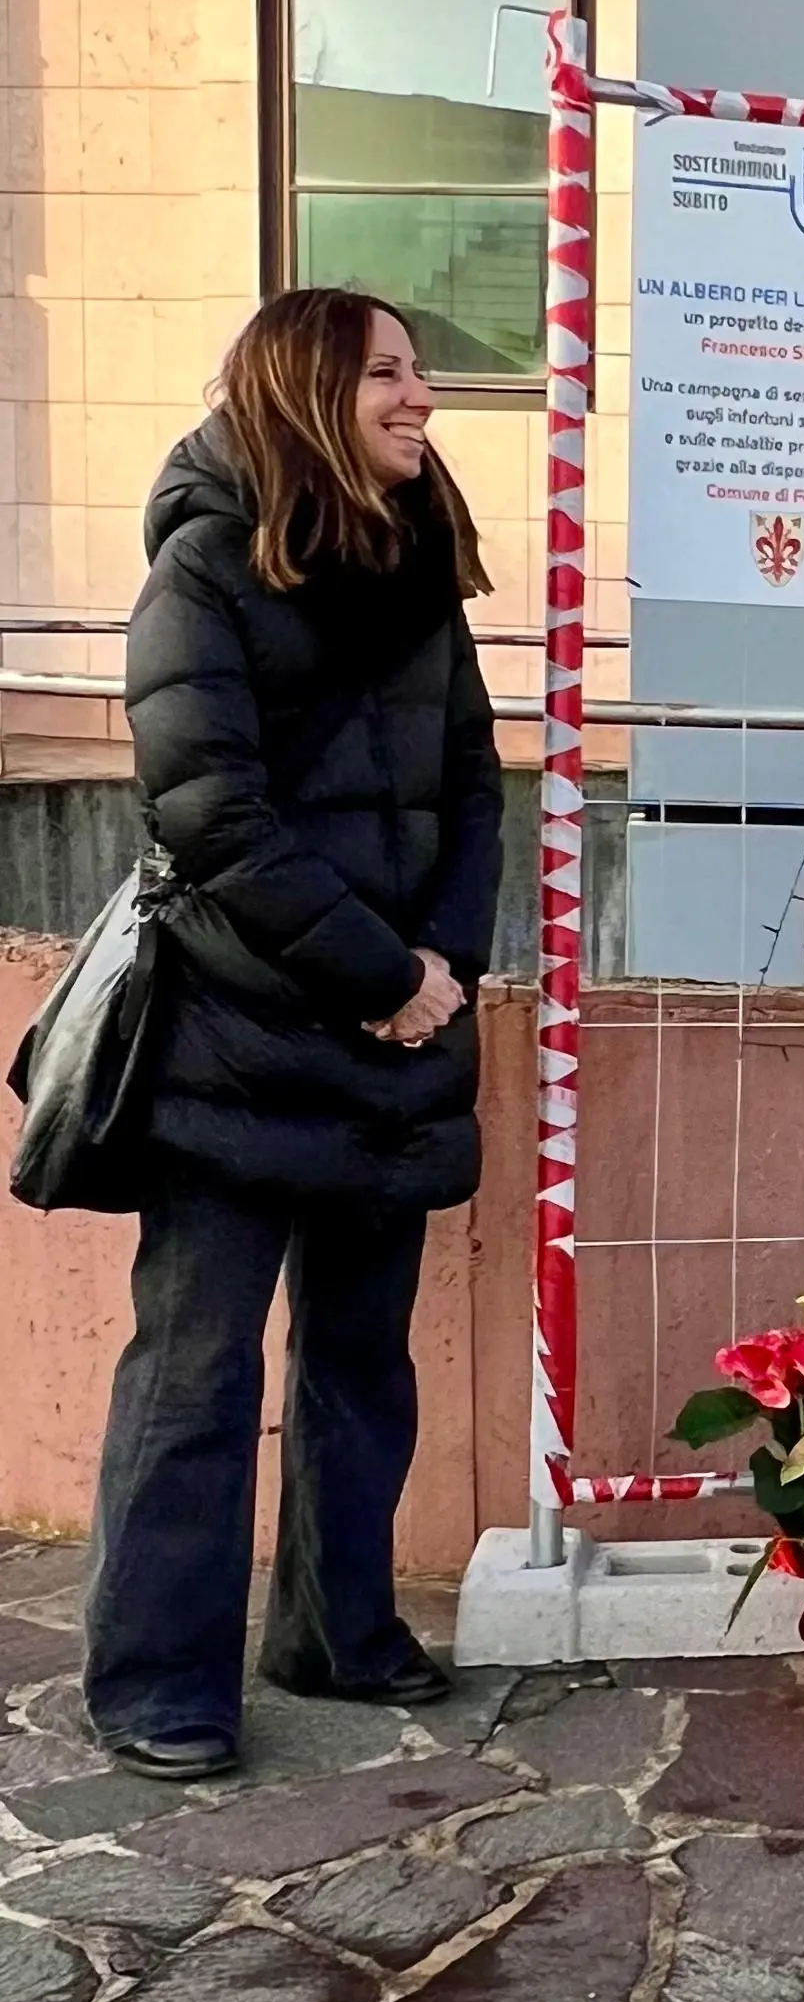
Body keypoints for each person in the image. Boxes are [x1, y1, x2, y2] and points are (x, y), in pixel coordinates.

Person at [86, 289, 503, 1781]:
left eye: (419, 372)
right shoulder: (202, 568)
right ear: (312, 388)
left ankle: (335, 1627)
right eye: (389, 372)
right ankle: (154, 1675)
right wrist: (377, 971)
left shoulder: (415, 570)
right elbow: (207, 813)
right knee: (197, 1373)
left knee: (359, 1357)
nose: (422, 399)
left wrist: (443, 958)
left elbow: (472, 783)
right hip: (239, 1044)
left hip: (398, 1030)